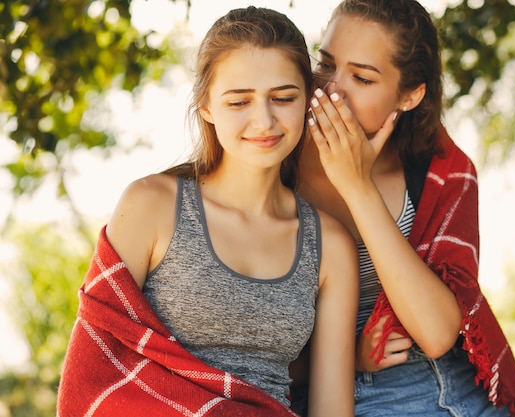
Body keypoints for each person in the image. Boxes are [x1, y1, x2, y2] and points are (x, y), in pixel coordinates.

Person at [57, 6, 358, 417]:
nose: (264, 120)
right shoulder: (151, 206)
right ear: (206, 106)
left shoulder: (330, 245)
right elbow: (91, 375)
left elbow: (331, 410)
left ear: (307, 98)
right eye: (239, 102)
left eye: (283, 98)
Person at [292, 0, 515, 416]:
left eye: (362, 78)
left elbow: (437, 333)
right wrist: (345, 356)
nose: (331, 90)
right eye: (327, 64)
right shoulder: (272, 157)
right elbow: (242, 336)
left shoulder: (441, 170)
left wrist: (357, 188)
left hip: (456, 387)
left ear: (409, 95)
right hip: (338, 390)